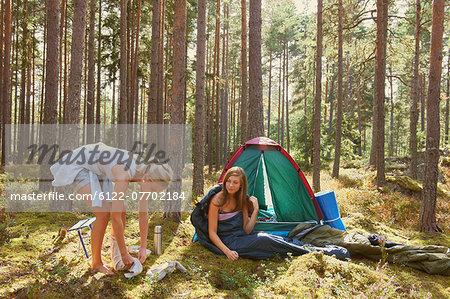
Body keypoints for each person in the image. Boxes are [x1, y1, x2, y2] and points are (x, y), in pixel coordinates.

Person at [50, 142, 172, 275]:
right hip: (79, 164)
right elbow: (115, 218)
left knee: (122, 209)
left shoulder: (146, 171)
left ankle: (116, 254)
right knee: (103, 213)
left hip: (99, 168)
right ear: (147, 178)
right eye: (153, 189)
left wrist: (143, 247)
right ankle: (96, 263)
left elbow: (143, 214)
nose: (152, 193)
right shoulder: (124, 175)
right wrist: (125, 253)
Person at [206, 166, 349, 261]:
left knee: (270, 237)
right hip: (228, 242)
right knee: (264, 239)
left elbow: (247, 230)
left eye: (235, 182)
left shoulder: (242, 201)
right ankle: (316, 252)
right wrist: (227, 251)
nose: (231, 185)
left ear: (241, 185)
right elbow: (212, 233)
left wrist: (255, 210)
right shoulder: (217, 200)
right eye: (228, 182)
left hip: (241, 237)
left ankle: (317, 249)